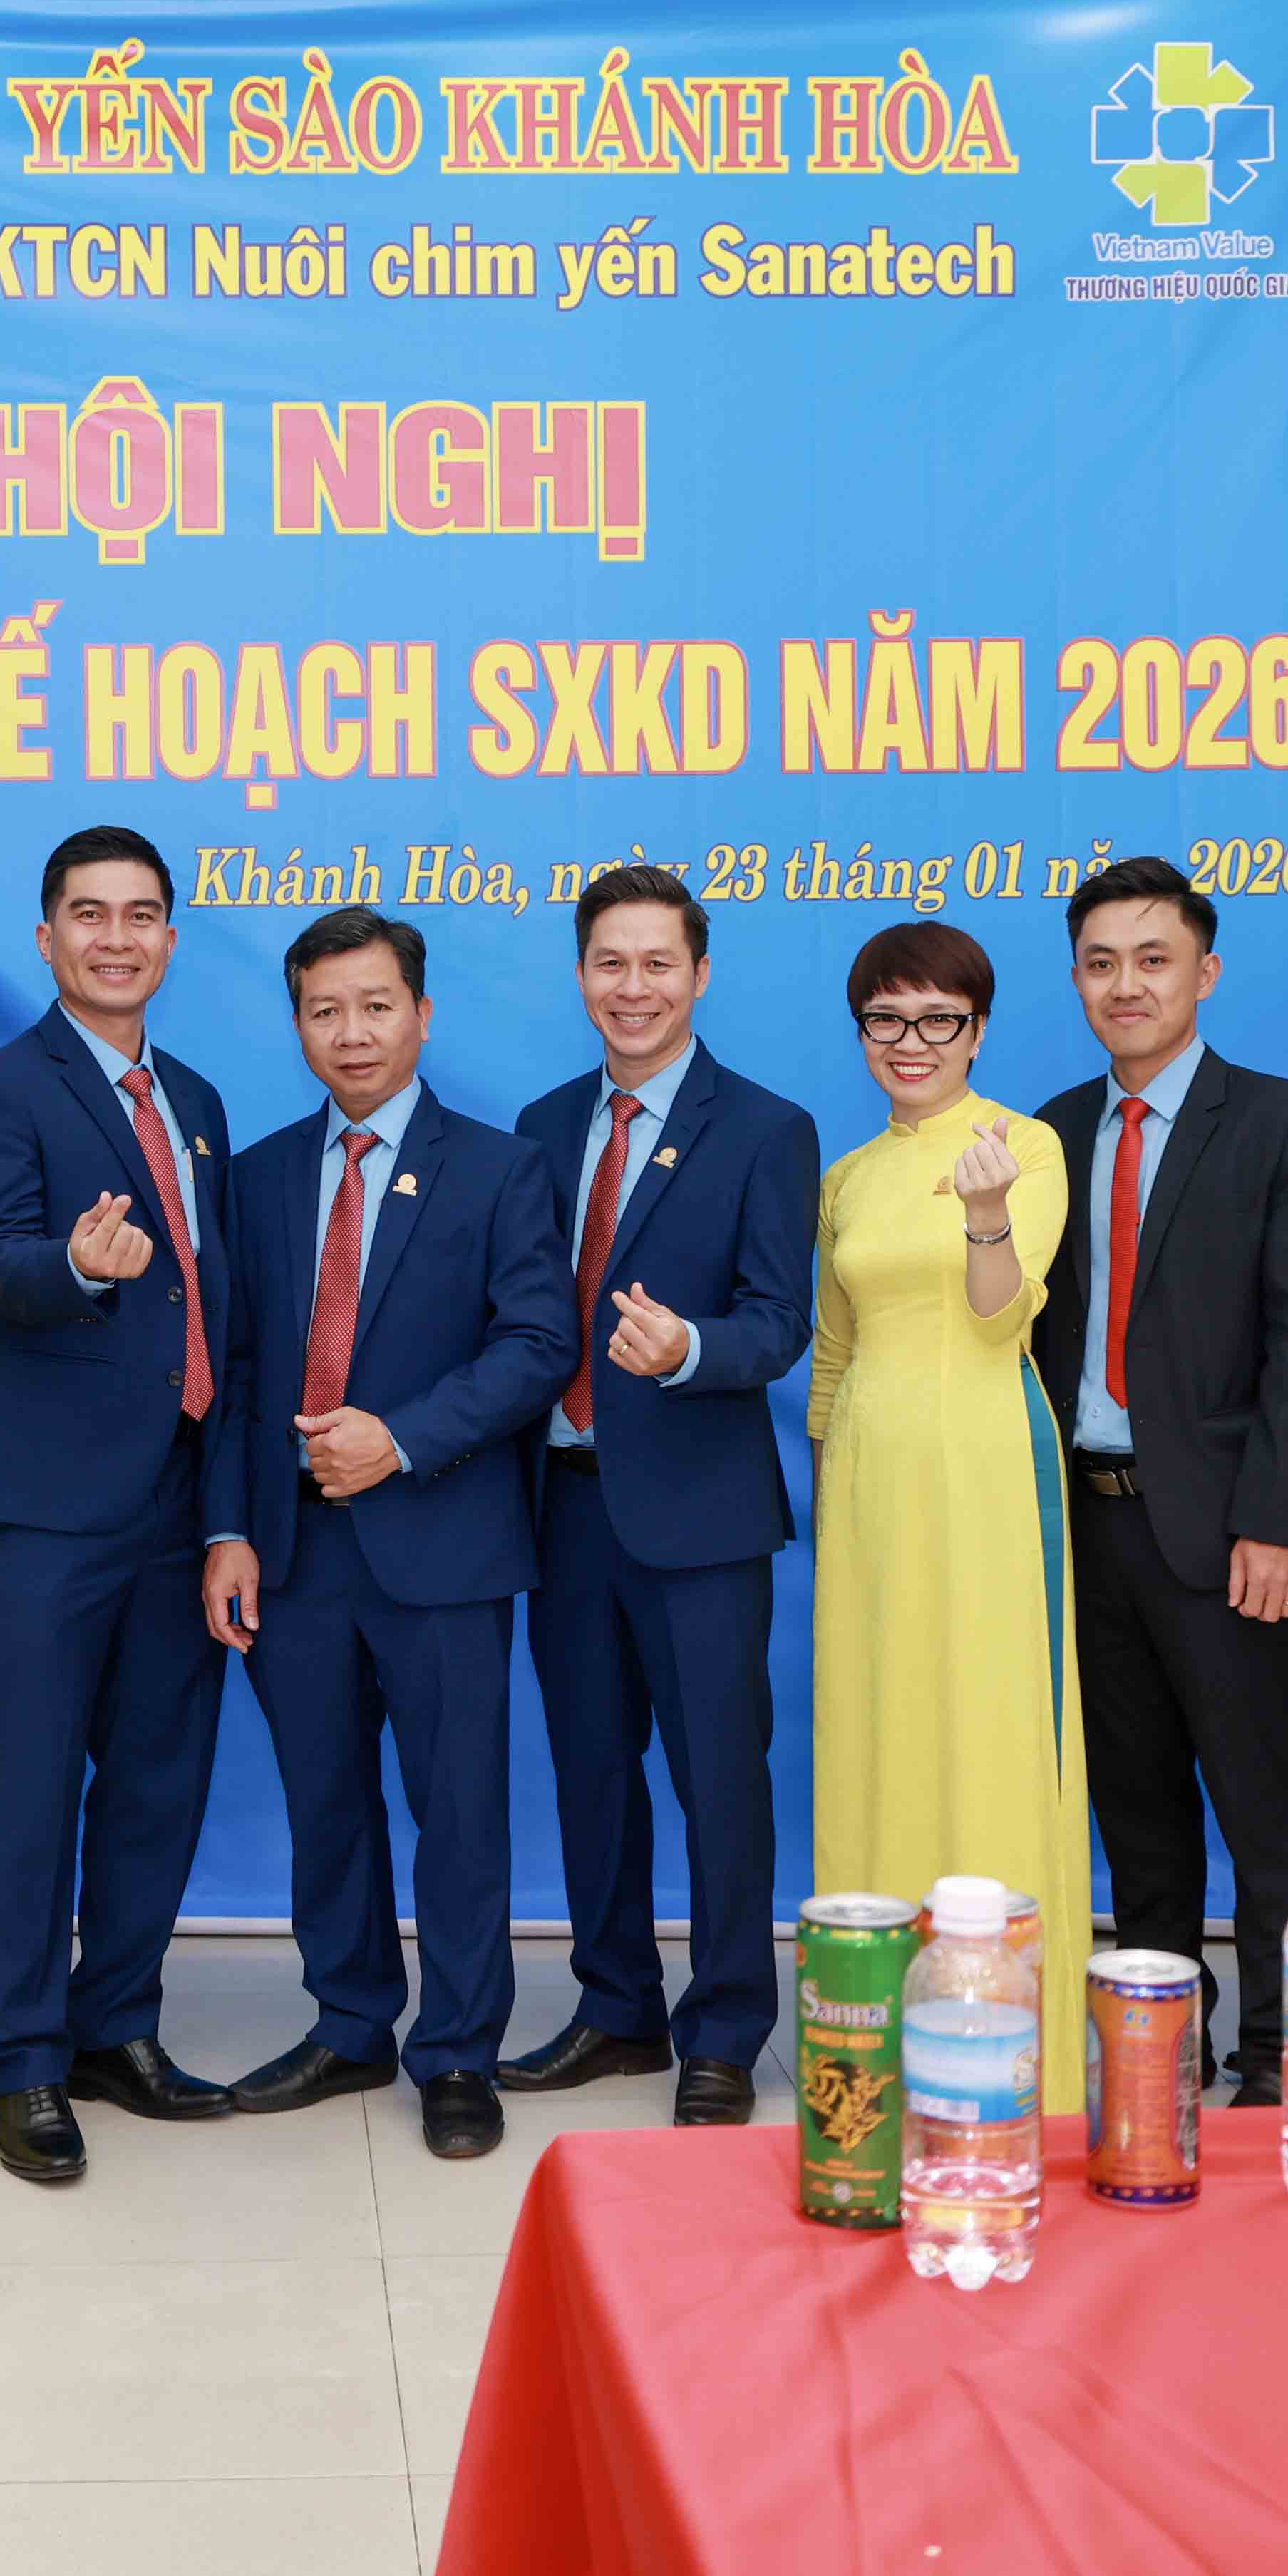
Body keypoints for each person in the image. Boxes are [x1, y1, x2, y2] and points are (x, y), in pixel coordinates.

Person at [203, 908, 572, 2161]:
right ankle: (352, 2022)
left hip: (444, 1543)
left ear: (422, 1015)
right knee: (327, 1804)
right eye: (325, 1010)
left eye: (375, 1006)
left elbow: (538, 1344)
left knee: (459, 1811)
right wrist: (228, 1528)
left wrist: (401, 1439)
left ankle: (457, 2050)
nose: (351, 1032)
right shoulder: (257, 1175)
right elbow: (237, 1368)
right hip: (294, 1549)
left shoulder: (501, 1168)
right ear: (297, 1024)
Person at [0, 826, 239, 2184]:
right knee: (30, 1786)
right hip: (50, 1505)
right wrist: (74, 1264)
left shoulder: (198, 1100)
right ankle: (23, 2059)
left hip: (178, 1492)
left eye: (139, 916)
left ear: (170, 939)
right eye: (88, 914)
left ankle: (117, 2024)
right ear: (47, 937)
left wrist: (225, 1508)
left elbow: (218, 1311)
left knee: (158, 1779)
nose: (115, 938)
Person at [498, 864, 816, 2128]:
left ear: (700, 974)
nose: (634, 988)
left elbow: (779, 1321)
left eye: (658, 965)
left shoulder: (767, 1127)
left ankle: (725, 2029)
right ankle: (617, 2007)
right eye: (610, 964)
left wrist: (689, 1350)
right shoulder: (538, 1124)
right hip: (562, 1504)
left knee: (720, 1780)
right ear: (581, 975)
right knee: (591, 1770)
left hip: (700, 1514)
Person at [1028, 858, 1288, 2105]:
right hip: (1089, 1525)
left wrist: (1279, 1520)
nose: (1127, 985)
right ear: (1076, 980)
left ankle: (1279, 2056)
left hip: (1228, 1530)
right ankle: (1159, 2048)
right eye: (1101, 963)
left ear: (1204, 974)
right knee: (1138, 1811)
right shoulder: (1049, 1131)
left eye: (1153, 960)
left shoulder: (1279, 1123)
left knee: (1265, 1811)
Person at [806, 918, 1090, 2110]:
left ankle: (1013, 2041)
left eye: (939, 1019)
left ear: (978, 1030)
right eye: (887, 1018)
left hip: (984, 1466)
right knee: (873, 1724)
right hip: (869, 1478)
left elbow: (999, 1317)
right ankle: (870, 2033)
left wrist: (985, 1215)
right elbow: (833, 1351)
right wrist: (832, 1484)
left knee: (990, 1726)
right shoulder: (847, 1177)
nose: (911, 1041)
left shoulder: (1024, 1146)